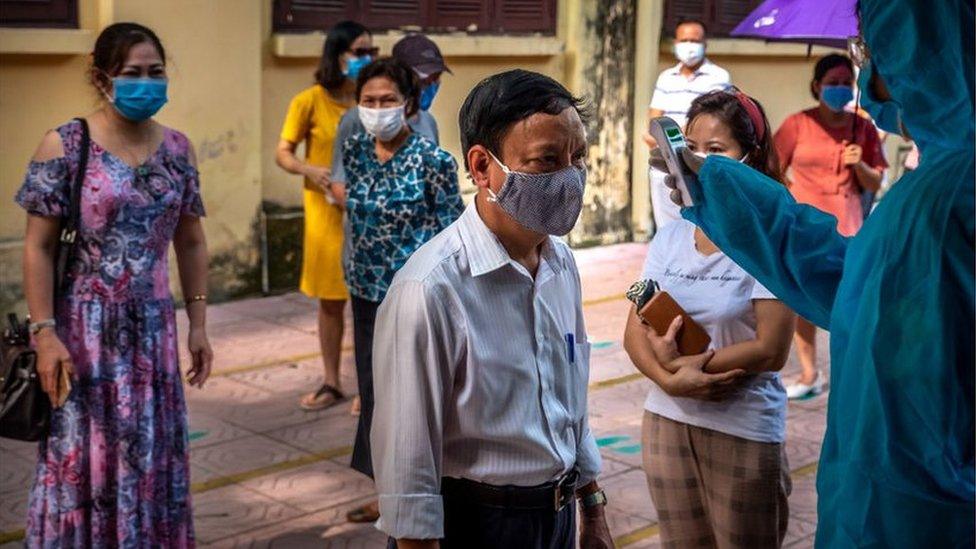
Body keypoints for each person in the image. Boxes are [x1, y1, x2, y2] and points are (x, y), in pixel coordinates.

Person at [656, 0, 974, 545]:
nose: (869, 76)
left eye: (874, 48)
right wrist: (728, 193)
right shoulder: (937, 186)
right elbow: (855, 284)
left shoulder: (948, 200)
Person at [370, 69, 612, 549]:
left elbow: (571, 406)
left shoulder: (560, 262)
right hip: (481, 524)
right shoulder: (430, 288)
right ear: (482, 167)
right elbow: (407, 460)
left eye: (578, 157)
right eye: (546, 161)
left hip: (558, 517)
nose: (570, 178)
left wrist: (592, 507)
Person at [16, 22, 212, 545]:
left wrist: (197, 322)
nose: (146, 83)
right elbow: (36, 247)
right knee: (83, 458)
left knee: (149, 453)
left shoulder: (177, 149)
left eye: (156, 72)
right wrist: (45, 335)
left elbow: (190, 241)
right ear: (102, 78)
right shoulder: (64, 143)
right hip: (83, 337)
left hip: (153, 334)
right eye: (132, 74)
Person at [627, 90, 796, 548]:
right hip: (666, 419)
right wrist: (669, 382)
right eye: (691, 149)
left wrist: (687, 373)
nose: (699, 161)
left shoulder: (770, 234)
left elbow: (771, 349)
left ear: (751, 156)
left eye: (717, 151)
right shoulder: (675, 230)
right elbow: (634, 326)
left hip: (742, 426)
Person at [341, 57, 463, 524]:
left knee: (414, 395)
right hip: (366, 290)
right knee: (374, 393)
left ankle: (424, 487)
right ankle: (387, 489)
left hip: (414, 296)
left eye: (387, 100)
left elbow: (451, 233)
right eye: (368, 101)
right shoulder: (355, 150)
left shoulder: (433, 161)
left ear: (408, 104)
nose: (377, 109)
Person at [773, 54, 887, 400]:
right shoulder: (797, 124)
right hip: (804, 227)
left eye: (845, 84)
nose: (839, 89)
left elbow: (874, 183)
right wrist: (789, 198)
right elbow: (772, 168)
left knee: (848, 303)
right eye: (832, 83)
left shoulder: (863, 128)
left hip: (848, 226)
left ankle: (849, 374)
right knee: (803, 300)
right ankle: (809, 371)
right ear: (816, 87)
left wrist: (860, 163)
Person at [276, 21, 376, 411]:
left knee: (372, 302)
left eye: (372, 51)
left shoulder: (373, 101)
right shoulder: (308, 101)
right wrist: (308, 169)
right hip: (326, 217)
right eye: (359, 51)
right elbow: (282, 152)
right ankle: (333, 382)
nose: (367, 59)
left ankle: (371, 386)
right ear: (338, 56)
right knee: (331, 302)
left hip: (369, 215)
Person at [329, 33, 449, 201]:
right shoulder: (356, 120)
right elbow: (339, 183)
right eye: (423, 79)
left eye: (435, 78)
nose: (429, 85)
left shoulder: (428, 121)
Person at [643, 18, 730, 229]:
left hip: (698, 160)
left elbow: (716, 120)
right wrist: (659, 137)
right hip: (665, 159)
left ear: (705, 44)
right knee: (667, 225)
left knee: (699, 222)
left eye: (694, 40)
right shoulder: (666, 78)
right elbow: (654, 119)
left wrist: (674, 137)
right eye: (684, 40)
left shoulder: (718, 76)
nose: (689, 46)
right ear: (675, 43)